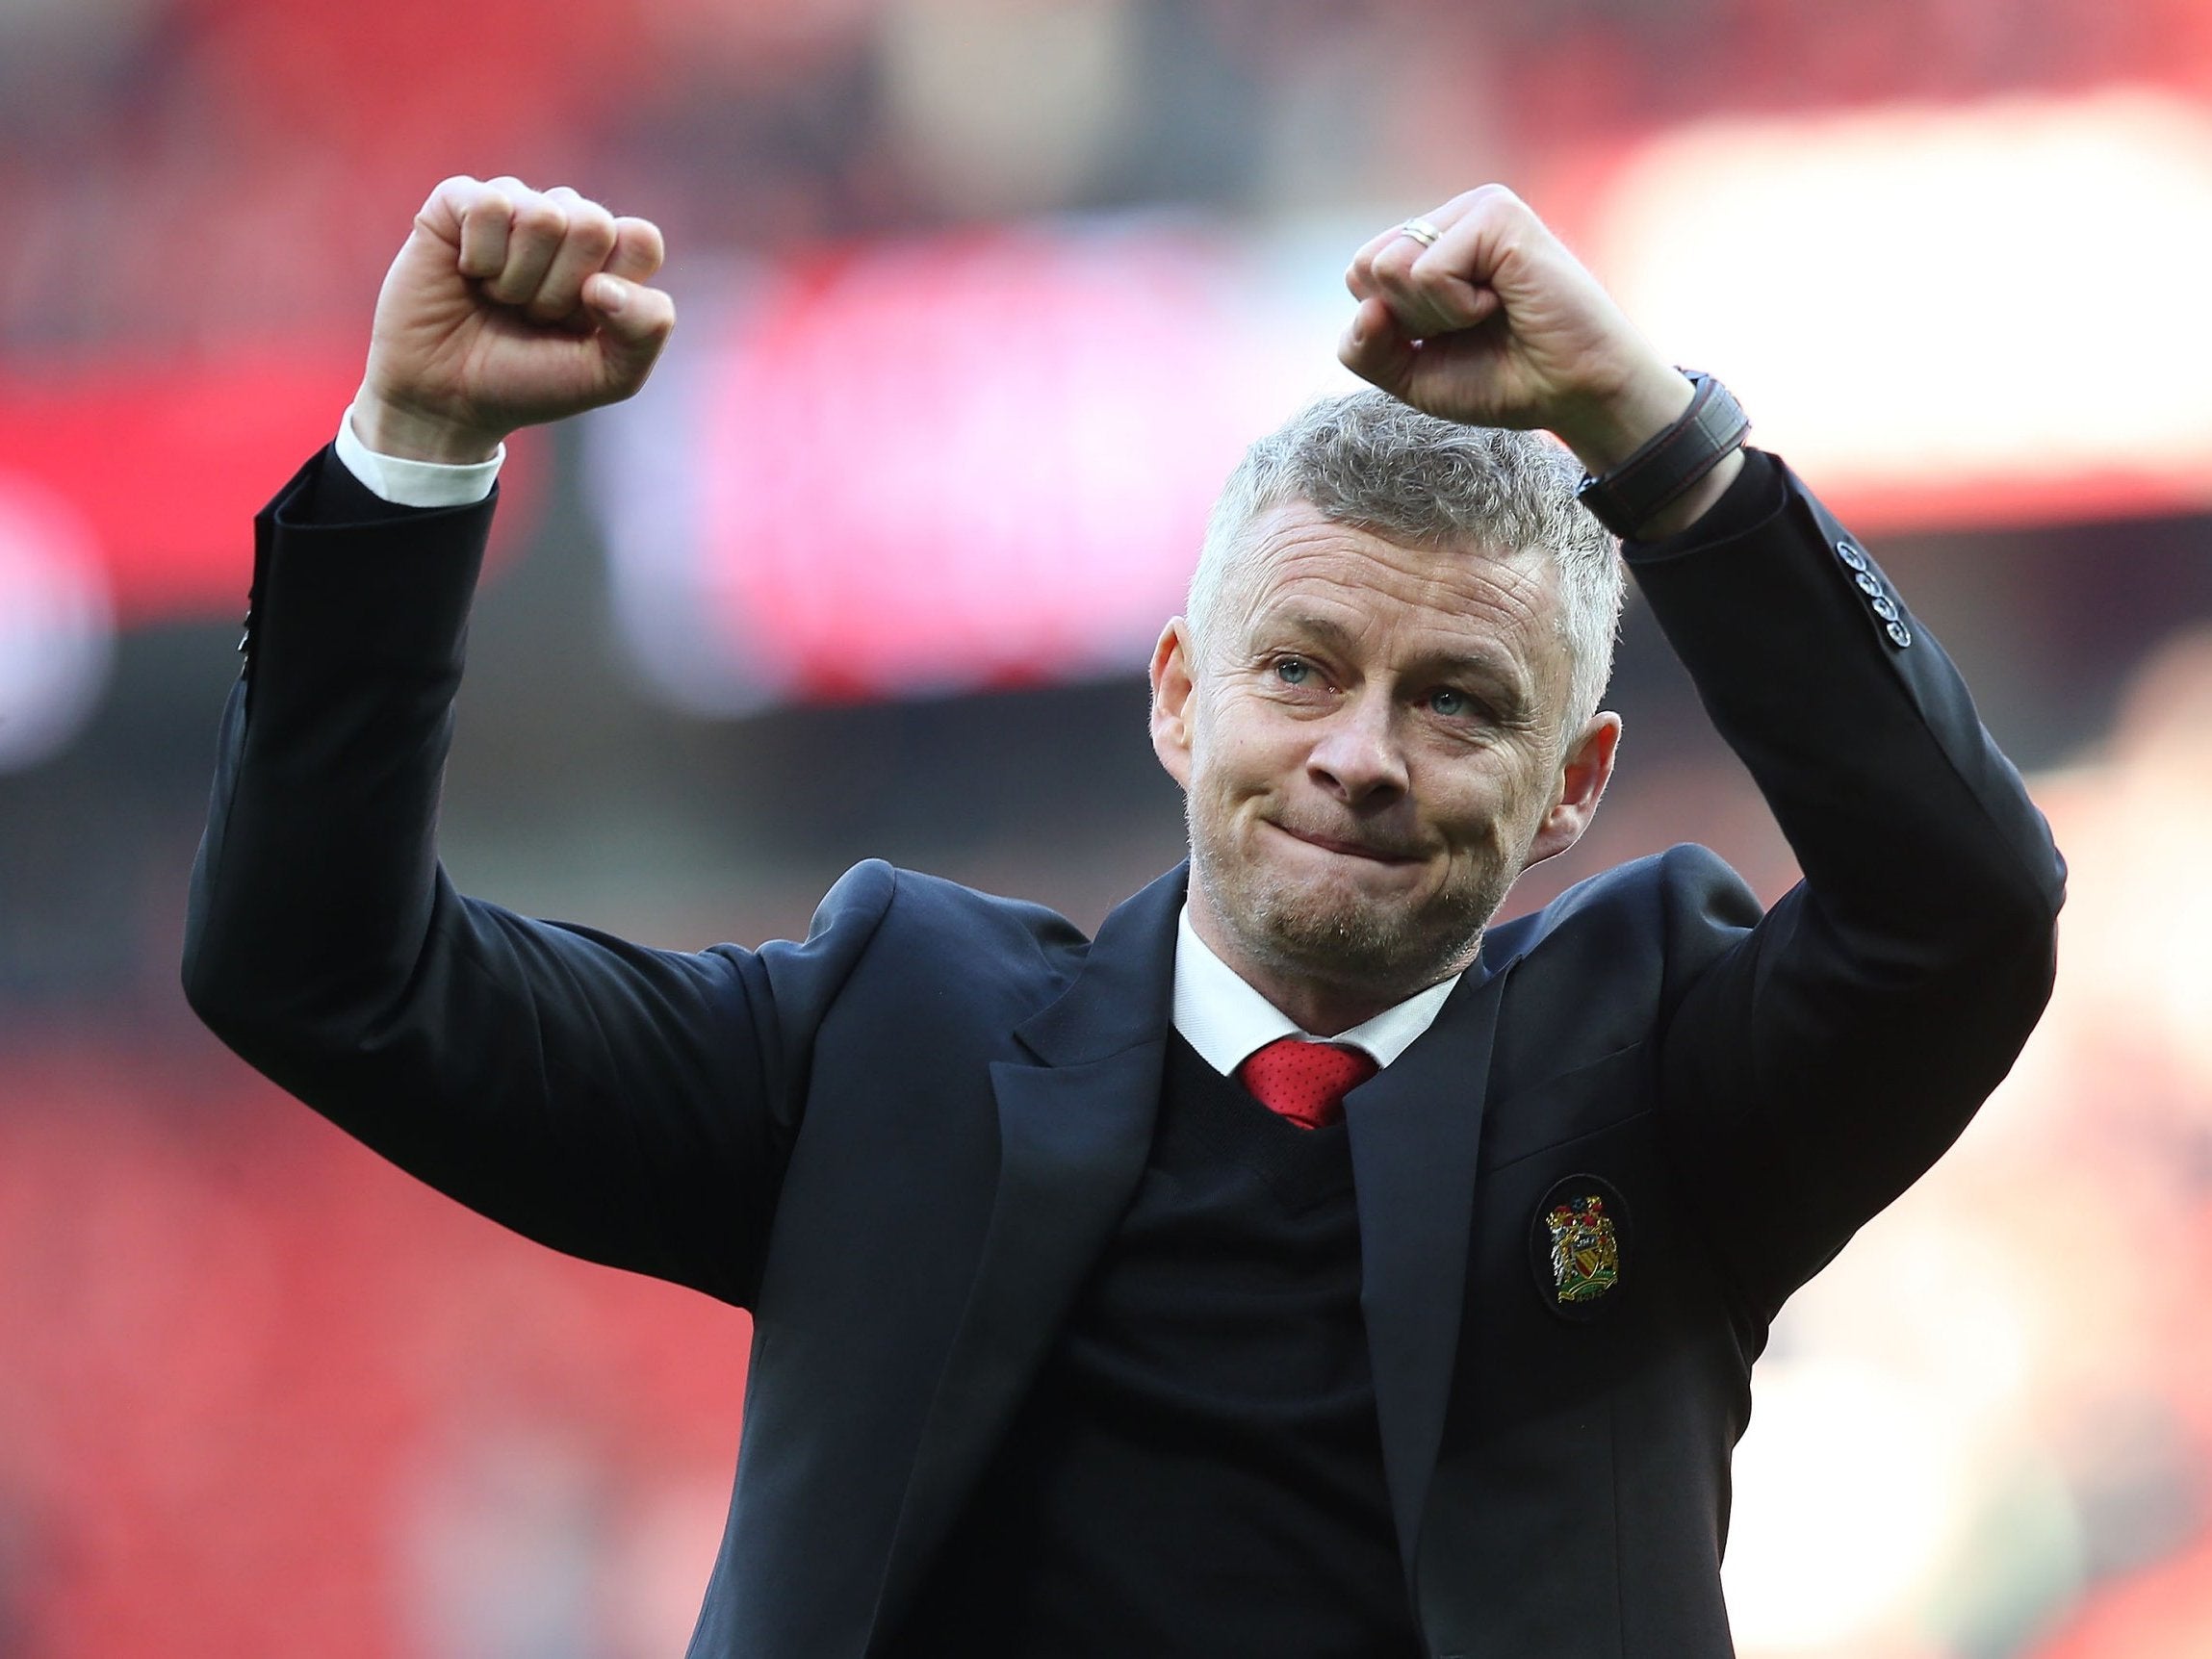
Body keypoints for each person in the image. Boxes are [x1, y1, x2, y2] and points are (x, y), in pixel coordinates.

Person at [182, 174, 2065, 1658]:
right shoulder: (882, 1036)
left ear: (1574, 786)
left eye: (1461, 703)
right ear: (1178, 694)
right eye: (1302, 670)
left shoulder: (1657, 1067)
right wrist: (414, 447)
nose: (1363, 756)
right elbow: (320, 971)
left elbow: (1967, 905)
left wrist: (1662, 442)